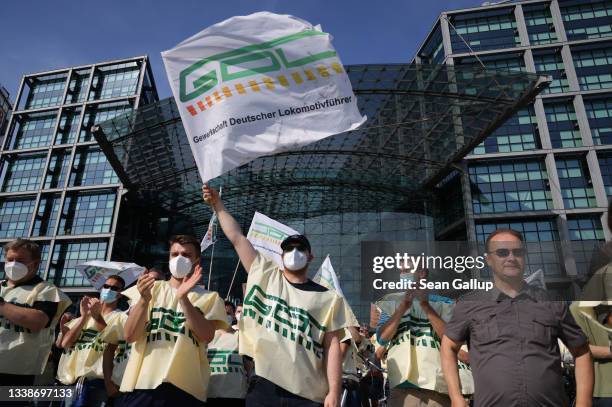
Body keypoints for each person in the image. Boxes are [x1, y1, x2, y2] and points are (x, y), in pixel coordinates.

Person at [203, 184, 358, 407]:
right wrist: (218, 206)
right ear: (282, 255)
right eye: (289, 249)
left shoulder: (328, 298)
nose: (294, 253)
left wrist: (334, 391)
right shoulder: (266, 275)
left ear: (310, 256)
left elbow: (333, 347)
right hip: (265, 385)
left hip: (307, 393)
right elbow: (237, 237)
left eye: (300, 249)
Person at [441, 228, 594, 407]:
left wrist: (584, 401)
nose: (511, 258)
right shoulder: (469, 304)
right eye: (502, 252)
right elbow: (448, 347)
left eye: (517, 252)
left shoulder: (552, 302)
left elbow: (581, 351)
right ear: (488, 260)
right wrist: (456, 397)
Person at [119, 235, 228, 406]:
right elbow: (130, 335)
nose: (179, 259)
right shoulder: (150, 288)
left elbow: (206, 336)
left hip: (186, 387)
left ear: (196, 260)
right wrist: (143, 300)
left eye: (186, 255)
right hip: (144, 383)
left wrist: (183, 299)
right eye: (174, 254)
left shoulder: (210, 297)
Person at [375, 264, 473, 407]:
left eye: (407, 270)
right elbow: (382, 338)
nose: (402, 274)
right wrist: (402, 307)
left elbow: (451, 339)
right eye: (401, 271)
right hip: (403, 386)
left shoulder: (446, 303)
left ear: (421, 273)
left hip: (438, 386)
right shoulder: (390, 301)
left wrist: (425, 305)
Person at [0, 238, 71, 388]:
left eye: (20, 260)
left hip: (18, 373)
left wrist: (2, 304)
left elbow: (37, 321)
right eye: (10, 259)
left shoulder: (46, 290)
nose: (13, 264)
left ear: (35, 264)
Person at [56, 275, 126, 407]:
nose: (108, 290)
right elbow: (65, 343)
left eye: (114, 288)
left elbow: (114, 342)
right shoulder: (83, 317)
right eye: (106, 286)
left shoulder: (121, 317)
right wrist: (84, 317)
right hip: (70, 381)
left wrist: (97, 317)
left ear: (120, 294)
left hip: (96, 381)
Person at [206, 324, 248, 407]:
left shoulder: (241, 336)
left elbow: (248, 366)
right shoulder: (203, 334)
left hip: (236, 396)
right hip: (207, 394)